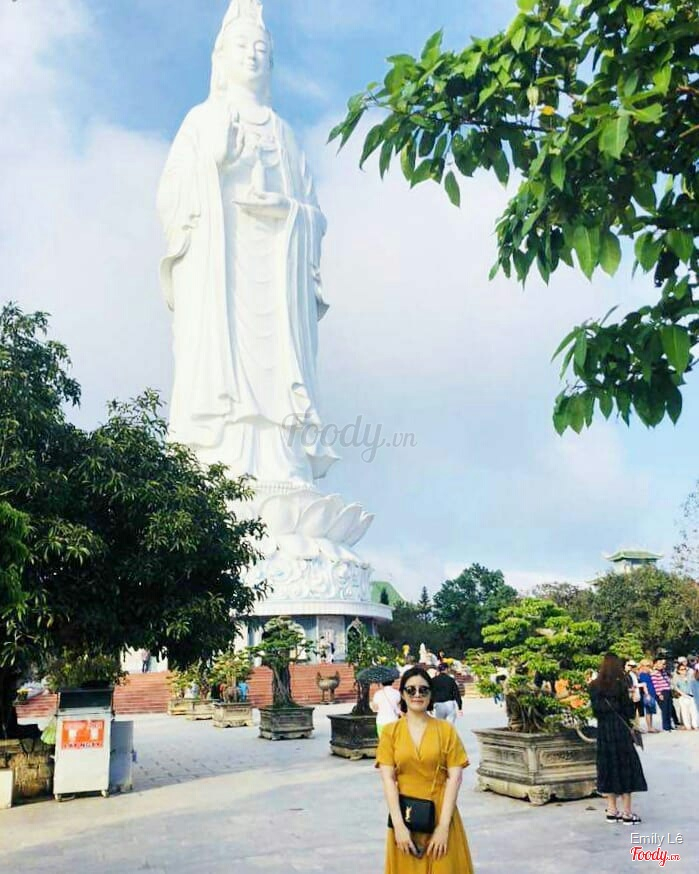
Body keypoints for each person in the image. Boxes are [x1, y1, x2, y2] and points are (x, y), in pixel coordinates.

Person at [157, 0, 336, 485]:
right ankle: (217, 464)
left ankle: (283, 465)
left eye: (260, 46)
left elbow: (315, 216)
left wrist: (288, 212)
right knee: (222, 368)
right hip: (221, 271)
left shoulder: (286, 136)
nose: (251, 54)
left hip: (277, 278)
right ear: (221, 57)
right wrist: (212, 162)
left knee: (278, 374)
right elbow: (170, 196)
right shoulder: (200, 121)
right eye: (241, 45)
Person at [375, 667, 474, 872]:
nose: (417, 695)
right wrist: (398, 826)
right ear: (402, 694)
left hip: (442, 813)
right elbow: (388, 780)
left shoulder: (446, 730)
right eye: (410, 690)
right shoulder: (391, 732)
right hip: (406, 816)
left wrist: (443, 827)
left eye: (423, 689)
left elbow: (455, 778)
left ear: (431, 694)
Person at [590, 653, 647, 824]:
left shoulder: (594, 686)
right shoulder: (620, 685)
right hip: (620, 732)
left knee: (608, 768)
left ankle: (612, 810)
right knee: (625, 768)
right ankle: (627, 813)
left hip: (604, 732)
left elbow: (596, 711)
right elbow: (628, 711)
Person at [650, 657, 673, 731]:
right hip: (662, 692)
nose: (661, 665)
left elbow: (668, 681)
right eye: (659, 663)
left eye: (662, 663)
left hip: (668, 690)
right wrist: (659, 694)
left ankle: (669, 725)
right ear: (655, 664)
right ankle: (666, 726)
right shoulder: (654, 673)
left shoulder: (663, 672)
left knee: (669, 709)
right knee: (665, 709)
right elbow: (655, 684)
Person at [672, 663, 698, 729]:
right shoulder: (676, 678)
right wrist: (683, 694)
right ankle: (687, 726)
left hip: (691, 696)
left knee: (694, 711)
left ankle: (695, 725)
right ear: (678, 671)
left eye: (685, 669)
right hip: (682, 697)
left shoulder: (690, 676)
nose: (684, 671)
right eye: (682, 669)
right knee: (685, 712)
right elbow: (675, 687)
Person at [637, 659, 659, 732]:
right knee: (648, 711)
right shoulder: (642, 674)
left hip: (652, 693)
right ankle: (649, 727)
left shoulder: (649, 673)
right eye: (646, 665)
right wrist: (647, 694)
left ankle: (651, 726)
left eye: (648, 665)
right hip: (647, 694)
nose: (647, 667)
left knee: (651, 711)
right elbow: (644, 685)